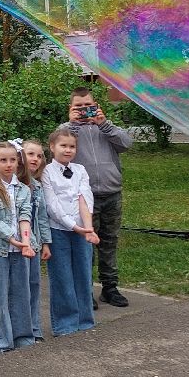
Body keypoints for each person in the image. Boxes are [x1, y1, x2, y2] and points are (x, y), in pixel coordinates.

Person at [61, 87, 132, 307]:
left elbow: (127, 144)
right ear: (70, 109)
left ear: (97, 105)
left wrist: (103, 123)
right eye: (78, 107)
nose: (84, 111)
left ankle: (110, 288)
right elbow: (58, 150)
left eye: (88, 106)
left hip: (111, 192)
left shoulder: (105, 127)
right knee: (86, 245)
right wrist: (73, 125)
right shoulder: (67, 130)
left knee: (109, 241)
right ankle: (85, 289)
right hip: (84, 197)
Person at [41, 127, 100, 335]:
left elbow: (85, 197)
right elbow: (52, 206)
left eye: (72, 146)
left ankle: (85, 320)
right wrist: (73, 226)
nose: (68, 150)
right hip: (59, 230)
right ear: (52, 147)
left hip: (83, 230)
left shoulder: (80, 170)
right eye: (63, 145)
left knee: (83, 274)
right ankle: (65, 324)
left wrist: (87, 227)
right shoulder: (47, 172)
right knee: (62, 276)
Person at [0, 141, 36, 354]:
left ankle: (22, 336)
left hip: (19, 248)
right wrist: (13, 239)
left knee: (22, 292)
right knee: (0, 295)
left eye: (12, 160)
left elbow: (25, 216)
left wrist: (25, 241)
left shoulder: (22, 189)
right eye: (3, 160)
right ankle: (0, 341)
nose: (9, 164)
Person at [22, 138, 54, 340]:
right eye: (30, 154)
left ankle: (35, 328)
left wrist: (46, 242)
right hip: (17, 245)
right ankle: (21, 330)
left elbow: (41, 216)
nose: (35, 158)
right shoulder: (14, 185)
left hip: (34, 244)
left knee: (34, 284)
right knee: (19, 287)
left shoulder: (37, 186)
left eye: (39, 155)